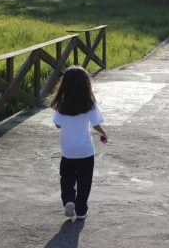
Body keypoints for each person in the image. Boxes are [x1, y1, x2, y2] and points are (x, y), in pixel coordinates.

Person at [51, 65, 108, 220]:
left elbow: (57, 124)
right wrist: (103, 134)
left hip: (68, 152)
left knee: (67, 179)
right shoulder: (89, 103)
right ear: (86, 84)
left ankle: (69, 200)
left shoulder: (61, 103)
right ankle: (81, 210)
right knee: (84, 182)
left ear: (65, 84)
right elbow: (95, 123)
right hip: (85, 152)